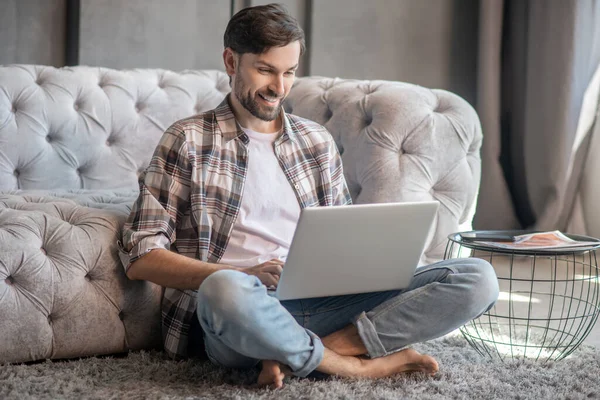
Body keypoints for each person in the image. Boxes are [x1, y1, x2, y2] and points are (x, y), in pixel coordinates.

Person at [119, 3, 499, 389]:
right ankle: (356, 366)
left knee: (477, 278)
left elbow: (342, 240)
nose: (279, 87)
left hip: (321, 303)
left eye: (289, 72)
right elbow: (141, 254)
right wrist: (239, 273)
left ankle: (306, 352)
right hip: (240, 313)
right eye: (265, 70)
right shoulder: (187, 140)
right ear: (231, 62)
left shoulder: (316, 141)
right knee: (224, 289)